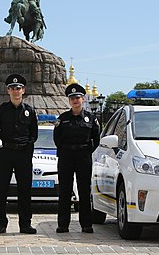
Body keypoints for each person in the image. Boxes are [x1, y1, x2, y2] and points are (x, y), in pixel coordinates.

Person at [0, 73, 38, 234]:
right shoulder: (1, 110)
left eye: (18, 88)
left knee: (24, 191)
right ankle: (0, 224)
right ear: (8, 91)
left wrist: (27, 150)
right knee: (1, 190)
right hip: (5, 154)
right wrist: (1, 149)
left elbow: (34, 135)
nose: (15, 91)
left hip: (23, 155)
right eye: (12, 88)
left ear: (23, 90)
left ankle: (25, 224)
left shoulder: (30, 111)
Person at [53, 83, 100, 233]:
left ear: (83, 99)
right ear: (69, 100)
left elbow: (96, 139)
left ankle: (86, 224)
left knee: (84, 191)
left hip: (83, 157)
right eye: (72, 98)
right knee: (65, 191)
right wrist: (66, 150)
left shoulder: (91, 119)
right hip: (66, 157)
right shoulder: (63, 118)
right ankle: (63, 224)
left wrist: (86, 151)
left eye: (78, 98)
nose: (75, 100)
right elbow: (57, 138)